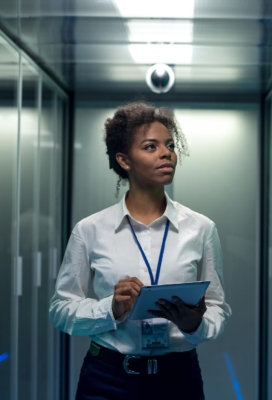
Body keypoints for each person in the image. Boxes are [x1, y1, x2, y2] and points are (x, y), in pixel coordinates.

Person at [49, 102, 231, 399]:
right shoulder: (90, 230)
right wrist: (110, 309)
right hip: (107, 379)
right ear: (124, 160)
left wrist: (195, 324)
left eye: (170, 145)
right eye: (151, 146)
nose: (166, 153)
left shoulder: (201, 228)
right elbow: (61, 310)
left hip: (178, 379)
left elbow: (218, 309)